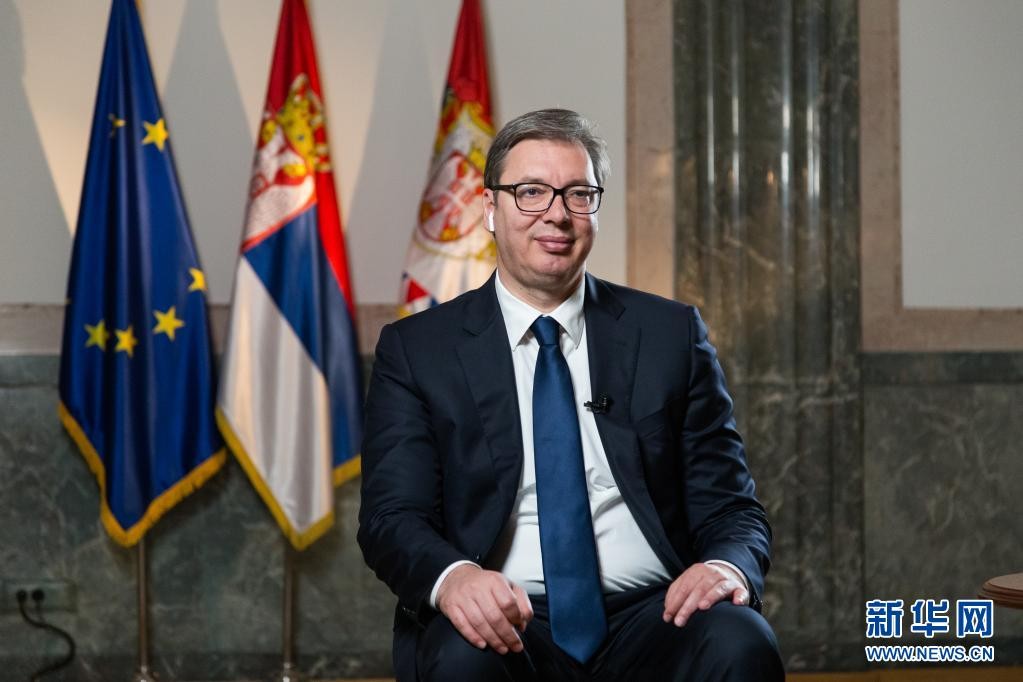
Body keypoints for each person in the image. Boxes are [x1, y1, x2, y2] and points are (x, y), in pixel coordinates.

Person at [358, 108, 783, 681]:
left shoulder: (670, 335)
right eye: (531, 192)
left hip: (657, 614)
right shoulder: (418, 350)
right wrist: (454, 578)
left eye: (579, 194)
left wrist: (725, 567)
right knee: (461, 660)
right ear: (490, 208)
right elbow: (391, 517)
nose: (556, 214)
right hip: (506, 615)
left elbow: (732, 508)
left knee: (740, 641)